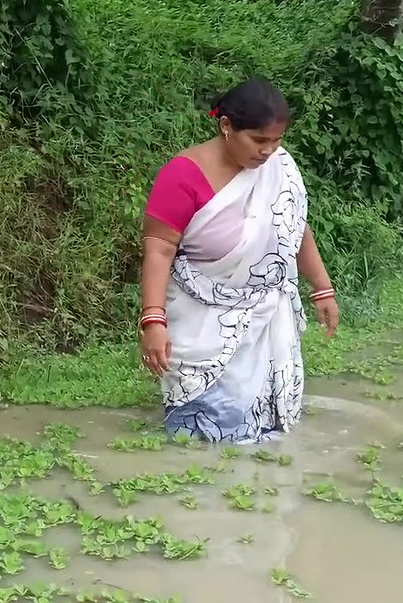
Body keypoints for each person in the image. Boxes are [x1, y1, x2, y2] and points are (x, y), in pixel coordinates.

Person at [137, 78, 338, 444]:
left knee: (265, 435)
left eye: (277, 140)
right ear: (226, 125)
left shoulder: (279, 166)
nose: (268, 151)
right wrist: (153, 320)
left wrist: (322, 288)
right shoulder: (182, 175)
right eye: (259, 140)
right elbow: (158, 249)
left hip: (266, 313)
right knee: (201, 435)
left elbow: (293, 227)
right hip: (200, 317)